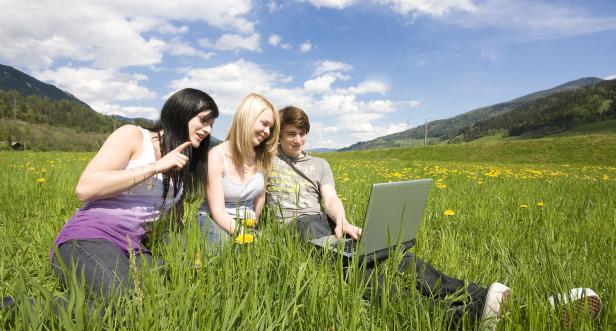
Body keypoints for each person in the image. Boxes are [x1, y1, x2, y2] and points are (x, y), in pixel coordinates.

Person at [265, 106, 603, 329]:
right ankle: (468, 319)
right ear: (278, 135)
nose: (297, 140)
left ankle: (500, 301)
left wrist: (342, 222)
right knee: (364, 276)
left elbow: (330, 198)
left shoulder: (321, 164)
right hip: (297, 230)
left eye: (302, 133)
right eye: (291, 134)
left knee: (401, 258)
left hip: (328, 227)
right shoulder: (265, 160)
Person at [51, 88, 219, 299]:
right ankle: (17, 306)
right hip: (90, 238)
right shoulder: (134, 135)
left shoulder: (182, 161)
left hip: (133, 249)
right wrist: (155, 167)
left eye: (211, 124)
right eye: (204, 121)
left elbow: (174, 223)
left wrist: (188, 255)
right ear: (181, 113)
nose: (208, 130)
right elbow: (85, 189)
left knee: (171, 295)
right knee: (123, 301)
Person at [197, 93, 279, 246]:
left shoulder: (264, 157)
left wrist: (253, 225)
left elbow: (260, 198)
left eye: (271, 127)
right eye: (264, 123)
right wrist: (246, 235)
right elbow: (217, 211)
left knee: (271, 248)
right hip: (213, 220)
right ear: (246, 118)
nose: (267, 132)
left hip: (245, 222)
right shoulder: (217, 155)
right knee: (223, 247)